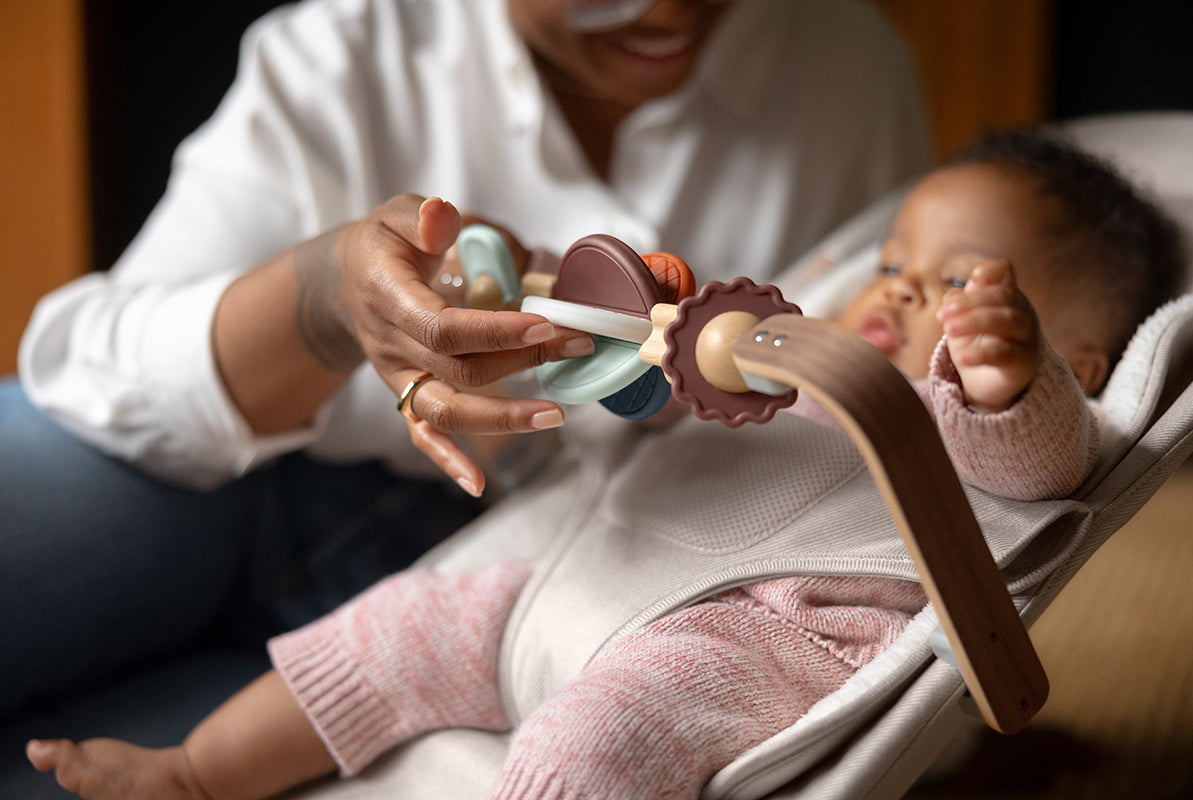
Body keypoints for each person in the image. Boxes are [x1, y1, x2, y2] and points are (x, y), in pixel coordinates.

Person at [25, 128, 1184, 800]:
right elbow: (669, 409)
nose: (899, 289)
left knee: (606, 735)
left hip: (759, 629)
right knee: (387, 629)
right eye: (893, 261)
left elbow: (1038, 464)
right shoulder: (788, 359)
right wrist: (641, 344)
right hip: (578, 579)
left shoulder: (1012, 415)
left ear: (1079, 355)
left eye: (956, 281)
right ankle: (192, 773)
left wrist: (1006, 378)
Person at [0, 0, 931, 773]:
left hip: (506, 586)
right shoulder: (347, 50)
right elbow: (79, 364)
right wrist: (322, 299)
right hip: (209, 493)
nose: (666, 10)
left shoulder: (848, 67)